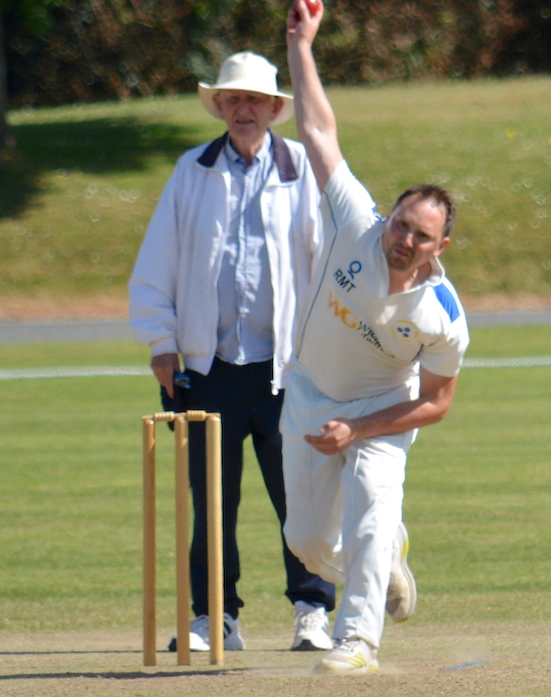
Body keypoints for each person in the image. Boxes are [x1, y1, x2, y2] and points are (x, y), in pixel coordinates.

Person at [280, 0, 470, 673]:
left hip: (384, 413)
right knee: (304, 541)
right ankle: (389, 553)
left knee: (367, 512)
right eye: (400, 223)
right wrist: (301, 46)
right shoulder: (354, 223)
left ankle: (358, 641)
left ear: (439, 244)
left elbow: (439, 403)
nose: (403, 239)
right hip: (309, 394)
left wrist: (360, 430)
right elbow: (319, 130)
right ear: (386, 215)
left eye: (420, 234)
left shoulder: (443, 314)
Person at [129, 51, 337, 654]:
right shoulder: (192, 169)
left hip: (289, 370)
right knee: (211, 504)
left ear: (276, 108)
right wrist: (162, 342)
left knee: (299, 499)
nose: (243, 109)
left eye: (256, 100)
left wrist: (330, 350)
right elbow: (157, 263)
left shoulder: (302, 166)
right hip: (208, 367)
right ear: (219, 106)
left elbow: (331, 260)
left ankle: (312, 611)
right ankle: (215, 618)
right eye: (233, 99)